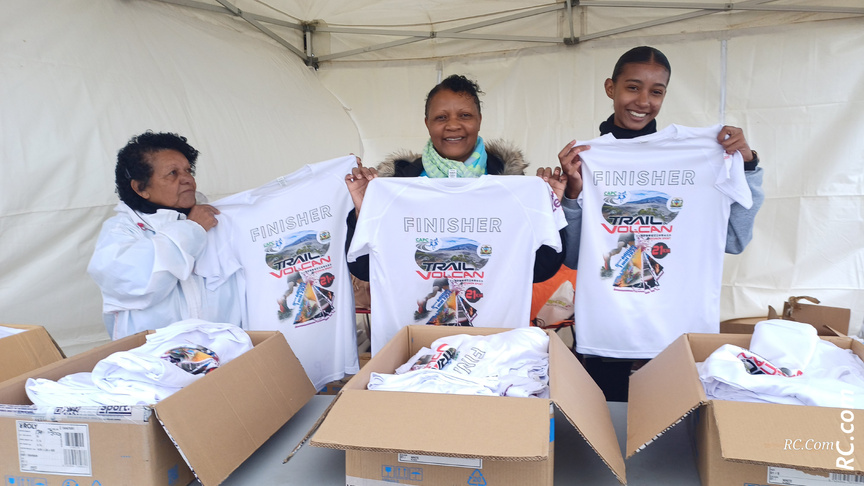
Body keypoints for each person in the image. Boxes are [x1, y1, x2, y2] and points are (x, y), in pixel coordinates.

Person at [552, 46, 765, 400]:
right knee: (608, 436)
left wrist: (748, 168)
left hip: (675, 334)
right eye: (632, 87)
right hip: (608, 338)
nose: (643, 100)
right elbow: (574, 257)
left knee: (668, 444)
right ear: (611, 88)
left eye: (656, 91)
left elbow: (734, 240)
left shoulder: (700, 155)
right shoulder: (588, 159)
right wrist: (571, 196)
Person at [345, 74, 570, 284]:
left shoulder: (510, 183)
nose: (453, 125)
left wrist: (550, 211)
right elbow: (364, 269)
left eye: (465, 115)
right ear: (427, 123)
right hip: (416, 323)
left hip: (492, 324)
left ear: (479, 120)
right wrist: (362, 214)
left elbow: (540, 269)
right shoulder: (397, 183)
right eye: (441, 117)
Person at [87, 131, 241, 340]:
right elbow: (139, 281)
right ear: (141, 188)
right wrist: (191, 229)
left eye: (188, 170)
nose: (187, 179)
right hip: (156, 364)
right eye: (173, 173)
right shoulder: (120, 231)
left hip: (227, 355)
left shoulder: (214, 219)